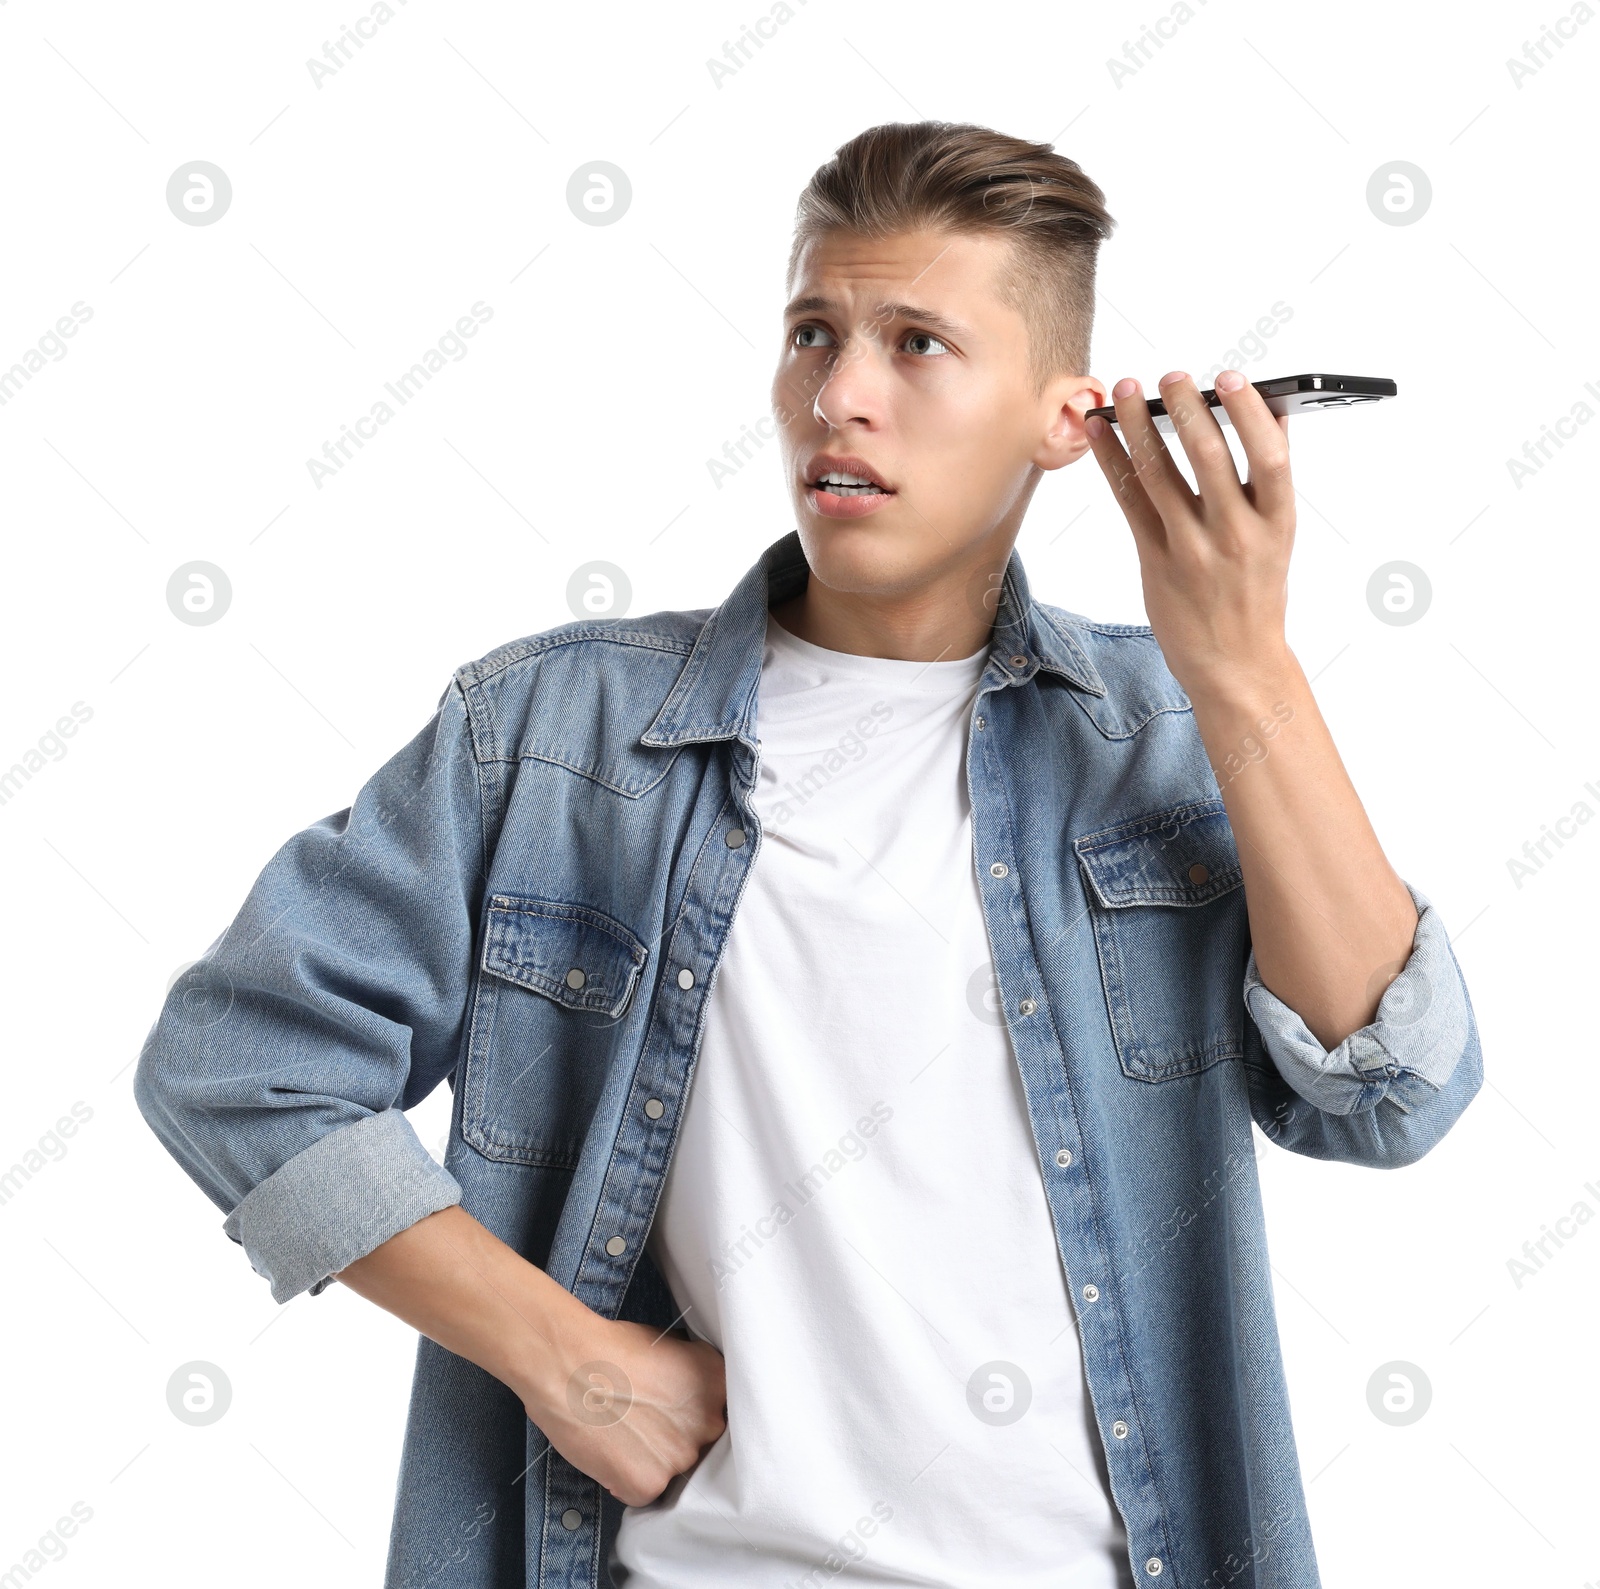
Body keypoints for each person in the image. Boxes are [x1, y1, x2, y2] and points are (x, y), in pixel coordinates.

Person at [134, 120, 1482, 1589]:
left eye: (916, 344)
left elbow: (1391, 1088)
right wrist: (564, 1357)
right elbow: (240, 1059)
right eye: (811, 332)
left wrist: (1246, 674)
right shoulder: (549, 738)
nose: (838, 397)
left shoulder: (1164, 737)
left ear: (1064, 416)